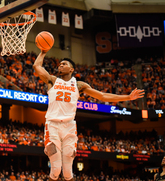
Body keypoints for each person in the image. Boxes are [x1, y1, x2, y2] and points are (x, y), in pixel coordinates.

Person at [33, 50, 145, 181]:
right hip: (52, 125)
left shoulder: (79, 85)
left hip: (69, 126)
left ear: (71, 69)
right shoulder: (52, 80)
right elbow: (37, 67)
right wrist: (43, 52)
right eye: (59, 64)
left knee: (68, 173)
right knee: (56, 169)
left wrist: (128, 97)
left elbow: (102, 96)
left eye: (64, 64)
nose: (60, 66)